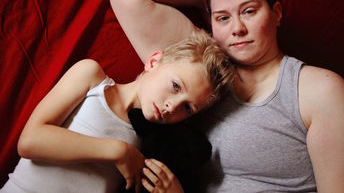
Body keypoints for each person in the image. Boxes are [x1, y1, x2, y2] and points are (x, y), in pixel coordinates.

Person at [106, 0, 344, 192]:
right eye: (223, 18)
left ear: (276, 13)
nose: (237, 28)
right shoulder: (196, 73)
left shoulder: (320, 91)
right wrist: (204, 0)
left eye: (249, 11)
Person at [0, 29, 234, 193]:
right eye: (175, 86)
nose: (171, 106)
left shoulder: (149, 149)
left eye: (187, 107)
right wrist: (117, 150)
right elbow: (29, 141)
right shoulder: (92, 79)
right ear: (153, 62)